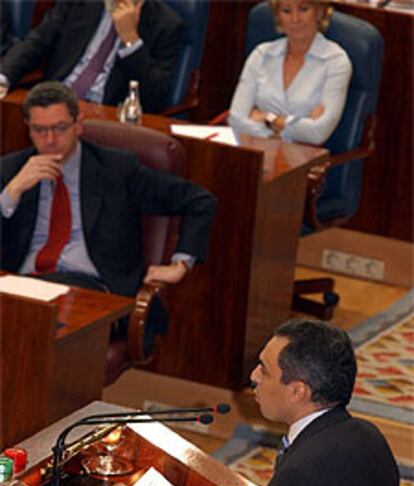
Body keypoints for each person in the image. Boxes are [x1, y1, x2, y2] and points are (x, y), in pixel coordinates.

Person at [156, 319, 400, 486]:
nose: (254, 377)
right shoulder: (368, 438)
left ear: (297, 391)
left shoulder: (306, 468)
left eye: (264, 370)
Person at [0, 81, 216, 323]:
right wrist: (12, 192)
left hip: (91, 290)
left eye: (60, 128)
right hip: (22, 287)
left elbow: (199, 200)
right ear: (28, 129)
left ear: (78, 125)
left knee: (38, 333)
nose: (50, 139)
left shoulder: (116, 170)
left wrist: (180, 265)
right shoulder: (12, 171)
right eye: (39, 130)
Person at [0, 0, 183, 112]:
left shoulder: (165, 24)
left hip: (105, 117)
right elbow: (37, 41)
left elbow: (156, 96)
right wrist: (3, 77)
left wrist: (131, 41)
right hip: (54, 102)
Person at [228, 0, 352, 145]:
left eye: (303, 9)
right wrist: (280, 135)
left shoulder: (336, 61)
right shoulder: (261, 55)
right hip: (255, 154)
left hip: (304, 162)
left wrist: (268, 118)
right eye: (286, 11)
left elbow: (318, 133)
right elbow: (236, 118)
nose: (295, 19)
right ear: (278, 16)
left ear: (319, 12)